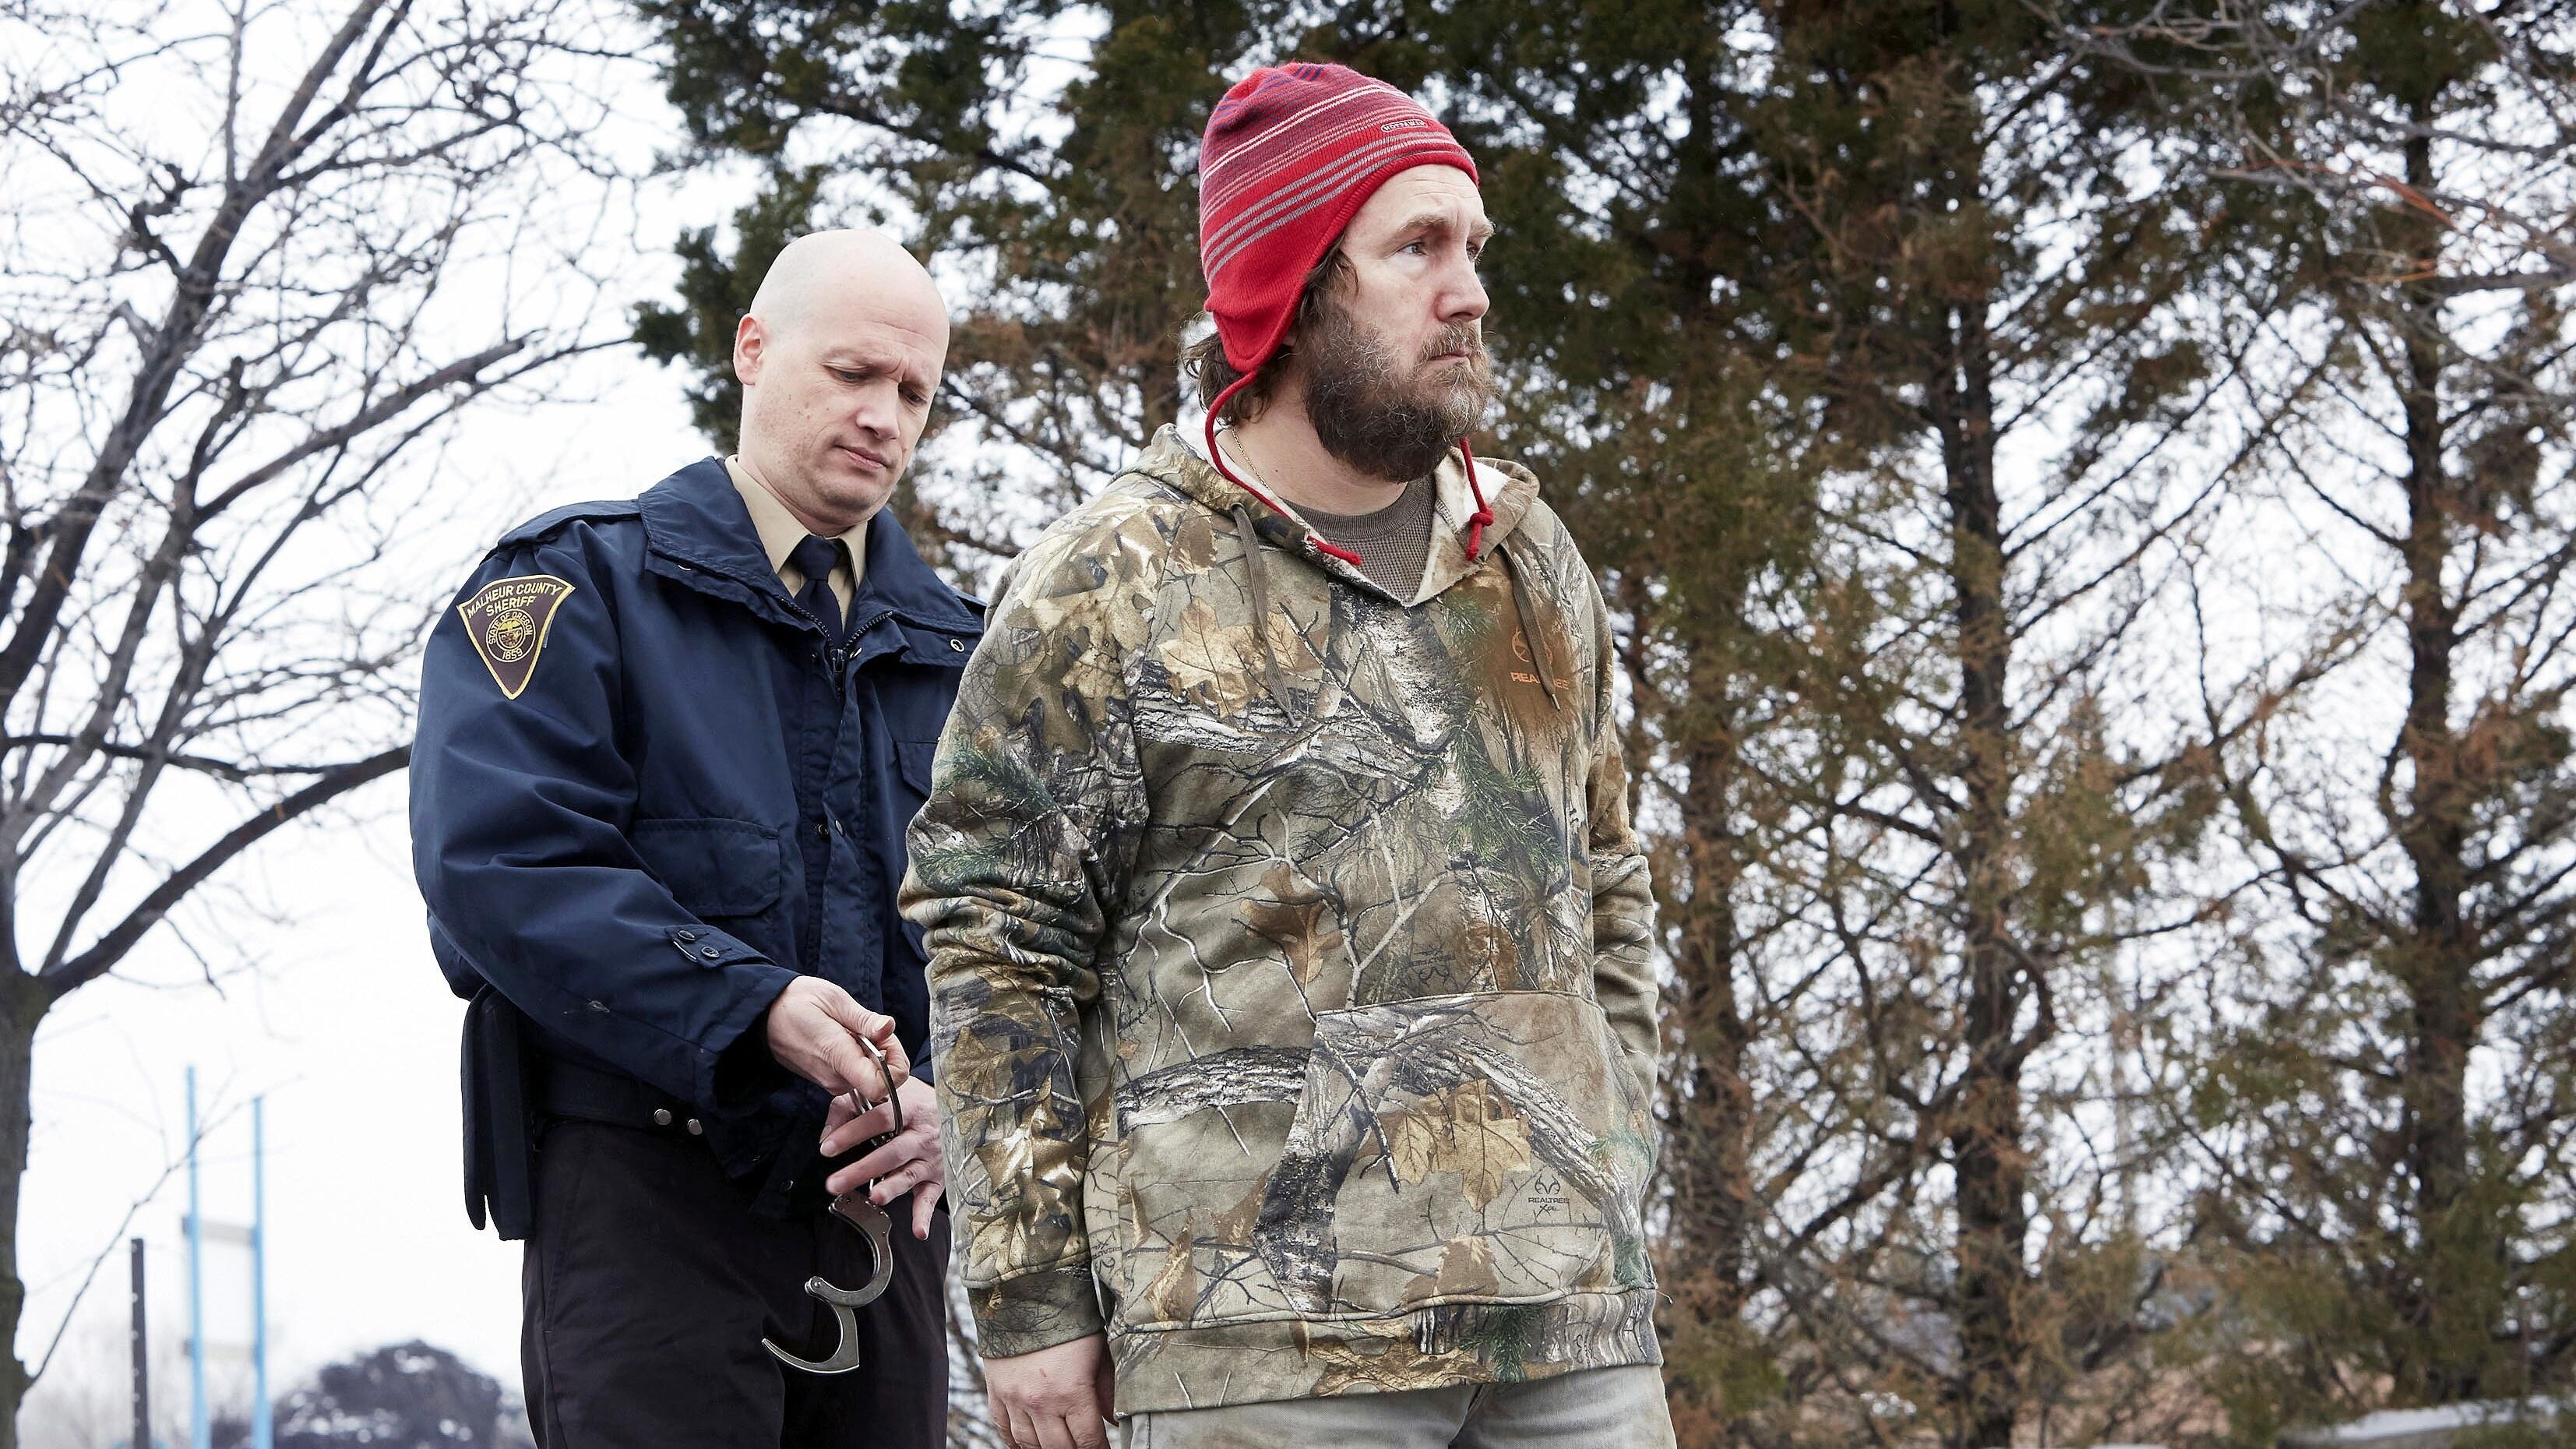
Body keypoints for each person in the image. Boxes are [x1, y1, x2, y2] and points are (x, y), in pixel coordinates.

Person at [903, 63, 1675, 1449]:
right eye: (1417, 248)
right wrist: (1028, 1301)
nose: (1468, 291)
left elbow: (1607, 869)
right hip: (1258, 1349)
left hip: (1570, 1327)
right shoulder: (1113, 579)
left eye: (1473, 247)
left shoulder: (1529, 558)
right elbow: (997, 938)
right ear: (1296, 287)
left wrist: (1618, 1139)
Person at [411, 228, 982, 1449]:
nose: (883, 416)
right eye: (853, 373)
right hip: (645, 1208)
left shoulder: (971, 664)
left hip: (887, 1227)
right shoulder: (574, 589)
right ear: (752, 350)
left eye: (914, 392)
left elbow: (1036, 938)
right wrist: (751, 1003)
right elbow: (498, 868)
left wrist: (966, 1106)